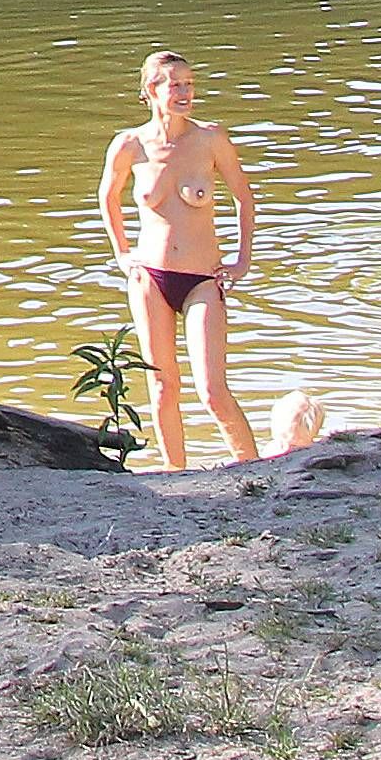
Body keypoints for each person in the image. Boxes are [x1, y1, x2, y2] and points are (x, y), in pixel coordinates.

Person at [96, 51, 259, 466]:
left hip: (203, 278)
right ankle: (176, 471)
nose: (185, 92)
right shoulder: (129, 145)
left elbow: (244, 197)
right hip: (150, 276)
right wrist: (122, 253)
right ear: (152, 91)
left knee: (212, 390)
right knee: (164, 385)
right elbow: (108, 196)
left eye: (189, 83)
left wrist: (242, 260)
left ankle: (257, 469)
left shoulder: (211, 139)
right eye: (175, 85)